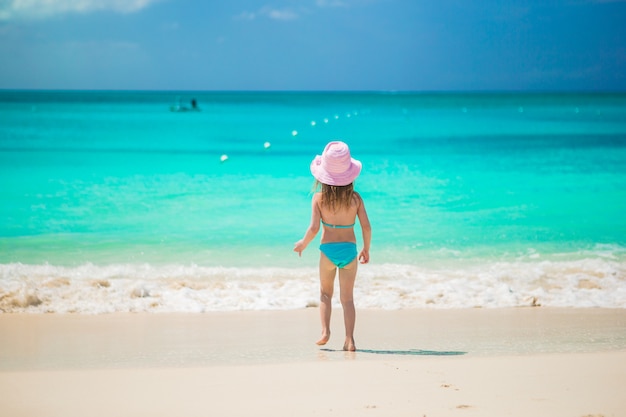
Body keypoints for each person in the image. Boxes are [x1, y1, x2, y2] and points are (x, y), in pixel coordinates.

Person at [294, 141, 372, 351]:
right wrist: (366, 248)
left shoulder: (319, 199)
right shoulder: (355, 199)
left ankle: (325, 332)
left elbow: (313, 229)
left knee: (325, 294)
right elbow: (367, 227)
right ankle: (349, 339)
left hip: (327, 251)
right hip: (349, 251)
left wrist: (303, 244)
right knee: (347, 299)